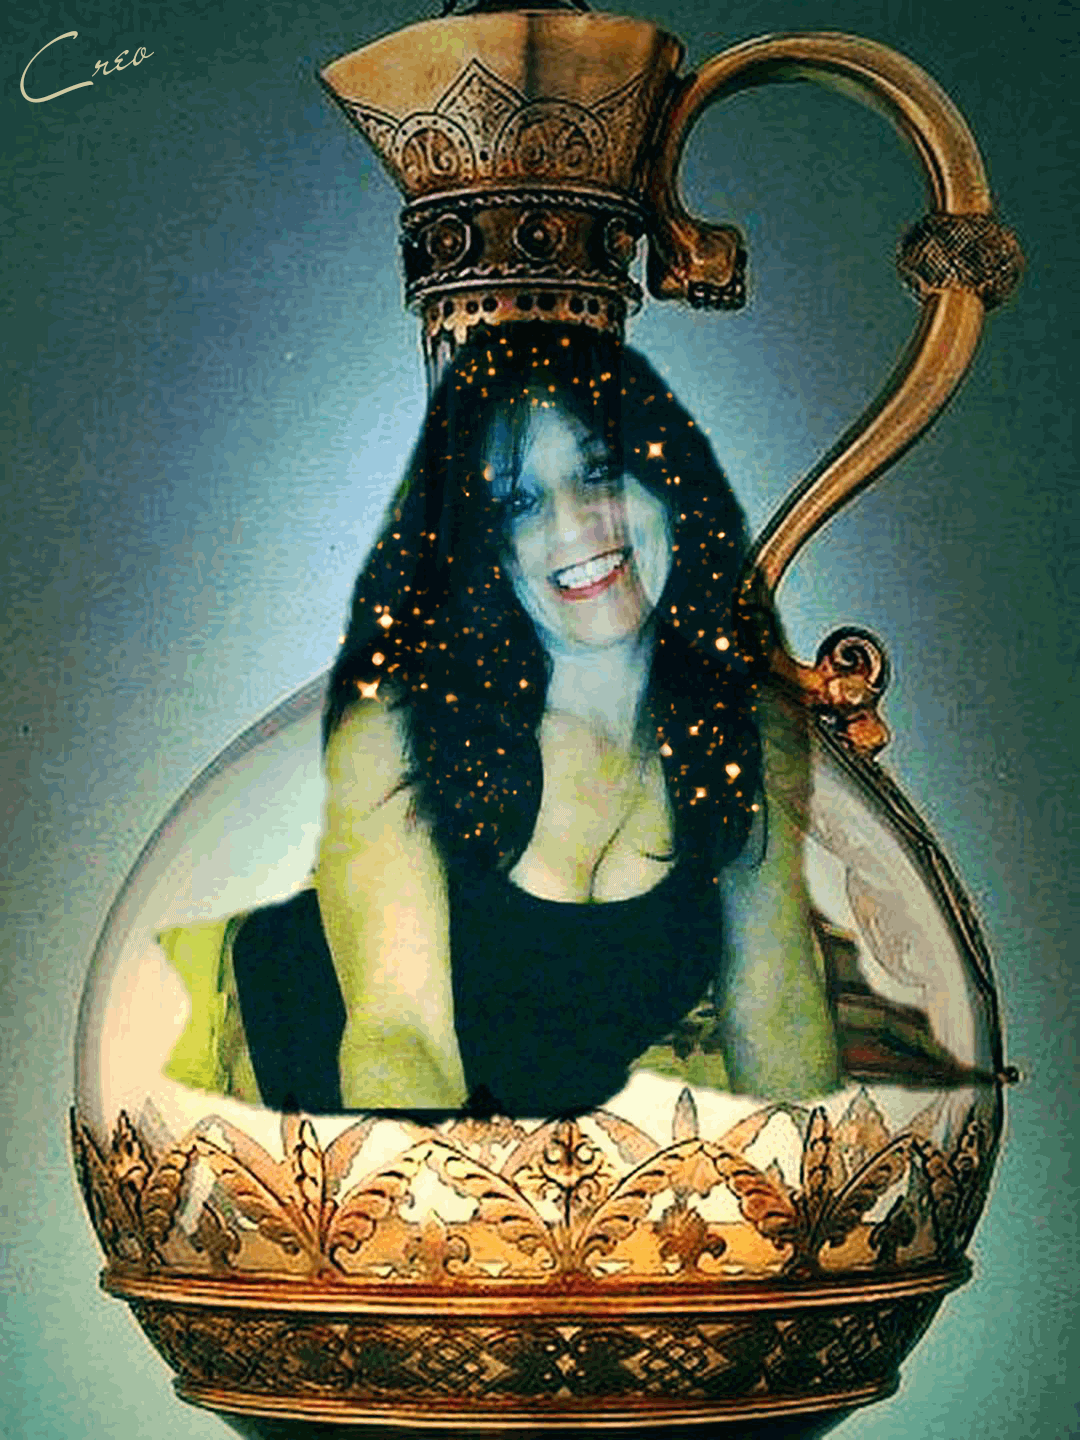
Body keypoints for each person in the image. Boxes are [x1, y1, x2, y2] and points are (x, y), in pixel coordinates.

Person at [307, 324, 840, 1114]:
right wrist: (441, 1196)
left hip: (560, 1156)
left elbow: (779, 1004)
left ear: (669, 483)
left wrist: (805, 1184)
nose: (572, 525)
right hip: (327, 1132)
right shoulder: (393, 734)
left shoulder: (750, 723)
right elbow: (400, 1036)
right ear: (484, 547)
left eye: (599, 471)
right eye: (518, 503)